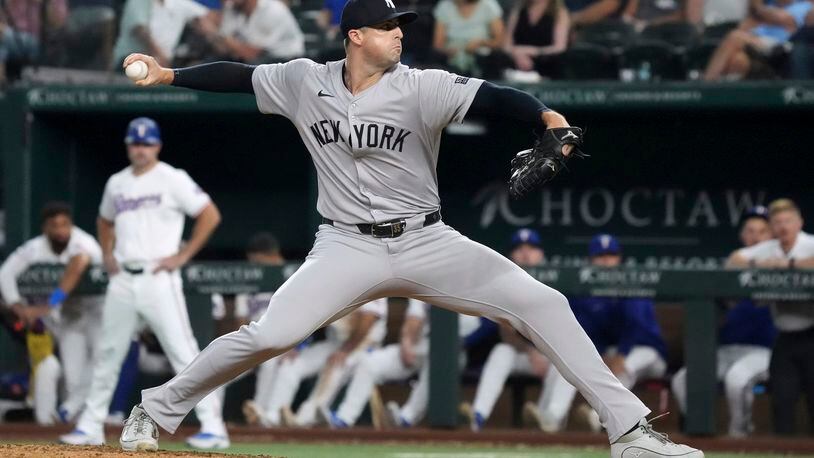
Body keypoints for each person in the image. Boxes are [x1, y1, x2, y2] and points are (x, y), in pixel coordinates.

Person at [117, 0, 704, 455]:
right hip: (344, 245)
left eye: (402, 24)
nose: (400, 32)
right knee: (269, 336)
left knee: (543, 302)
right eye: (388, 25)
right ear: (355, 36)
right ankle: (156, 408)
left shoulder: (421, 85)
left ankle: (629, 432)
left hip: (427, 240)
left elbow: (497, 97)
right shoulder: (302, 81)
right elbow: (237, 75)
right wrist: (167, 74)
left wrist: (549, 117)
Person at [58, 117, 230, 450]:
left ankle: (214, 426)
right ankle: (91, 425)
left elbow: (210, 214)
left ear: (158, 146)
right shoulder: (117, 183)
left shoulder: (172, 178)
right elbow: (104, 220)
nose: (141, 148)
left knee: (184, 353)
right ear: (128, 146)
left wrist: (183, 256)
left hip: (158, 276)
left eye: (147, 143)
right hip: (123, 275)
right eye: (136, 143)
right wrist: (107, 253)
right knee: (107, 353)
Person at [525, 234, 668, 434]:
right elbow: (584, 331)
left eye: (611, 255)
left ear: (619, 258)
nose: (606, 261)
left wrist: (621, 354)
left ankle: (597, 416)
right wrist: (603, 355)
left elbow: (635, 326)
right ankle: (552, 417)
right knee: (570, 361)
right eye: (600, 256)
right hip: (612, 351)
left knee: (625, 366)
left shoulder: (631, 281)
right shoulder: (585, 291)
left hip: (648, 354)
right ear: (591, 261)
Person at [672, 205, 776, 437]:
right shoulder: (730, 267)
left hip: (762, 351)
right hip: (726, 349)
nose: (755, 236)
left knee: (737, 379)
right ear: (742, 235)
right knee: (682, 379)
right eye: (750, 230)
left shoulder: (778, 265)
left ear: (770, 236)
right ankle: (700, 434)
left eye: (762, 231)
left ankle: (739, 437)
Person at [0, 202, 103, 425]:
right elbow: (5, 273)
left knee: (103, 358)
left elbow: (78, 264)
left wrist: (50, 303)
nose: (60, 230)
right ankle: (60, 426)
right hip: (69, 317)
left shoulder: (84, 242)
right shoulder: (35, 248)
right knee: (72, 378)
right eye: (54, 225)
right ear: (45, 228)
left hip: (96, 312)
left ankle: (76, 414)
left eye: (65, 224)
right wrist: (17, 306)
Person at [327, 299, 489, 428]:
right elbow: (414, 318)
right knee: (369, 363)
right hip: (421, 345)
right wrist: (407, 343)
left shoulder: (467, 290)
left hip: (456, 352)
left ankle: (406, 417)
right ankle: (344, 418)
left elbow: (475, 330)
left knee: (437, 362)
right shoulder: (426, 283)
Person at [727, 198, 814, 435]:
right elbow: (735, 260)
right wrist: (761, 262)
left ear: (799, 223)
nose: (783, 227)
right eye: (777, 222)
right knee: (782, 401)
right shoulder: (770, 248)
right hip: (785, 338)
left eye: (788, 221)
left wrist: (788, 264)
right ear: (772, 227)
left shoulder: (809, 243)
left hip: (812, 333)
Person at [459, 228, 552, 431]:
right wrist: (530, 351)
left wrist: (544, 353)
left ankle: (548, 418)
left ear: (541, 254)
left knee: (564, 364)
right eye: (519, 249)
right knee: (502, 351)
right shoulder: (504, 283)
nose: (526, 253)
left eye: (531, 248)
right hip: (523, 354)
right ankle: (477, 416)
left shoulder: (554, 281)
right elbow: (501, 329)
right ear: (511, 256)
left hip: (550, 355)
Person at [246, 298, 388, 427]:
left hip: (363, 346)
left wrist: (345, 351)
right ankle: (273, 415)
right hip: (336, 343)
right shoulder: (331, 279)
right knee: (291, 363)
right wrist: (297, 345)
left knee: (335, 368)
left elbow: (367, 321)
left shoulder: (371, 278)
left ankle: (304, 420)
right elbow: (313, 317)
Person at [703, 0, 814, 80]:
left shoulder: (803, 6)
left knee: (734, 37)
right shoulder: (769, 5)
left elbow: (782, 18)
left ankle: (705, 87)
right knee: (738, 59)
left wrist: (757, 8)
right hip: (756, 44)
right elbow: (744, 26)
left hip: (781, 46)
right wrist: (763, 17)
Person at [111, 0, 215, 67]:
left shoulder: (179, 3)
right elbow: (140, 31)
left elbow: (207, 17)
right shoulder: (139, 1)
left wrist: (214, 34)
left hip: (164, 63)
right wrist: (159, 56)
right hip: (131, 59)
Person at [198, 0, 304, 63]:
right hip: (255, 58)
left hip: (285, 60)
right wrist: (210, 33)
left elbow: (251, 54)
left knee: (251, 69)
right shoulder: (232, 7)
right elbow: (224, 49)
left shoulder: (272, 10)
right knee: (213, 63)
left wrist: (216, 32)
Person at [432, 0, 505, 74]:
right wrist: (449, 51)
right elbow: (438, 45)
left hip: (484, 59)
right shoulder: (444, 6)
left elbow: (499, 41)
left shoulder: (488, 5)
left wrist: (481, 43)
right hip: (452, 62)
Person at [502, 0, 569, 76]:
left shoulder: (559, 13)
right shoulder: (518, 11)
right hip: (516, 59)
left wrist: (532, 51)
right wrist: (517, 54)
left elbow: (560, 47)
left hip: (546, 61)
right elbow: (506, 44)